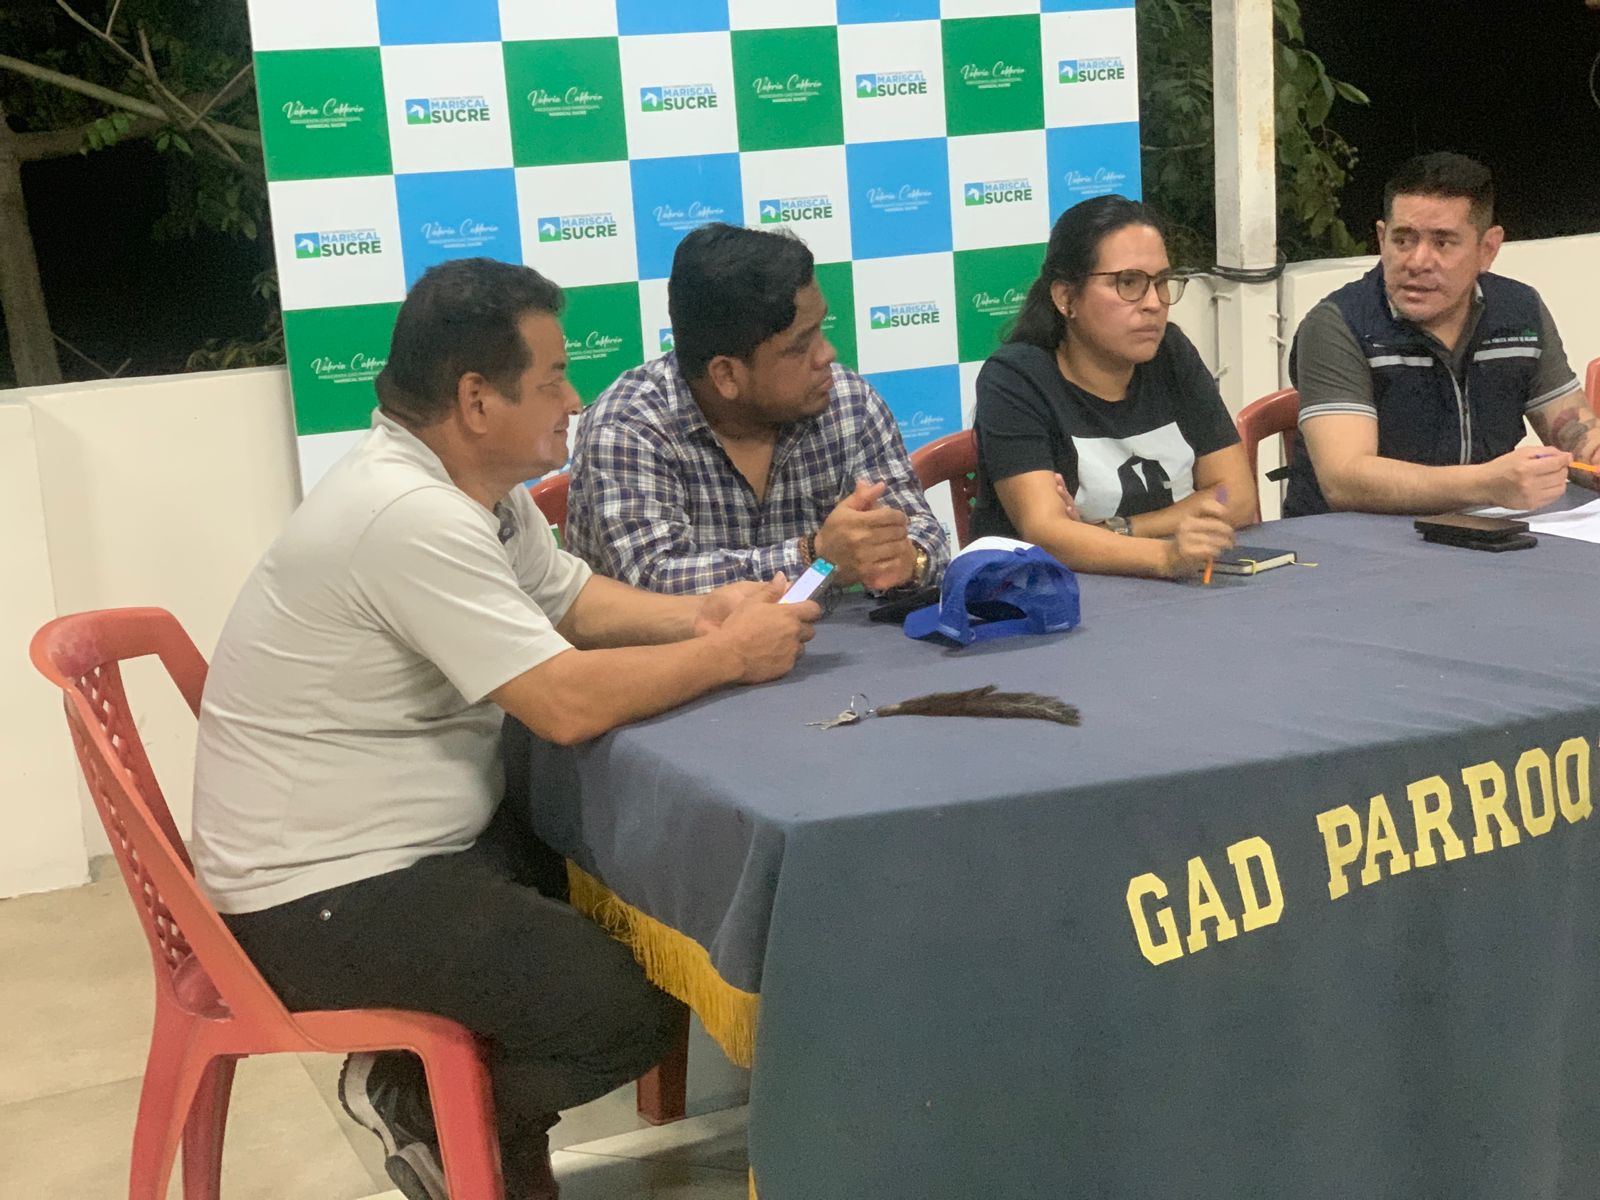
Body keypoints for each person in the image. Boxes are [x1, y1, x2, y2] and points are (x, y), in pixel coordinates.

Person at [190, 258, 820, 1200]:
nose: (575, 400)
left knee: (636, 901)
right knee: (625, 1013)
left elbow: (569, 600)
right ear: (477, 399)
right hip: (324, 895)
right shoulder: (407, 516)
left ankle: (477, 1147)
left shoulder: (467, 486)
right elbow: (563, 701)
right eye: (554, 378)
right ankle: (418, 1102)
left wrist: (705, 616)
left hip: (406, 848)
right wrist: (730, 656)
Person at [565, 222, 948, 595]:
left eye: (821, 329)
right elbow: (655, 580)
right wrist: (815, 556)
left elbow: (924, 531)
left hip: (837, 636)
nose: (827, 354)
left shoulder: (848, 402)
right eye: (800, 346)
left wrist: (906, 558)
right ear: (726, 374)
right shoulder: (629, 426)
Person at [1286, 151, 1598, 517]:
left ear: (1488, 249)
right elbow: (1345, 480)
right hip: (1349, 539)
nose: (1418, 262)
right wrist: (1486, 484)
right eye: (1403, 240)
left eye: (1442, 243)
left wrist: (1591, 455)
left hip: (1480, 529)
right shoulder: (1338, 324)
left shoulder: (1520, 312)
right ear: (1381, 239)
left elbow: (1573, 429)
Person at [971, 195, 1254, 578]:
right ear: (1066, 297)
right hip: (1053, 596)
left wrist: (1118, 530)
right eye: (1128, 283)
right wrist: (1166, 555)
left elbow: (1235, 496)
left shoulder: (1171, 354)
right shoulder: (1016, 379)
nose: (1154, 303)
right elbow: (1046, 533)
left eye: (1162, 282)